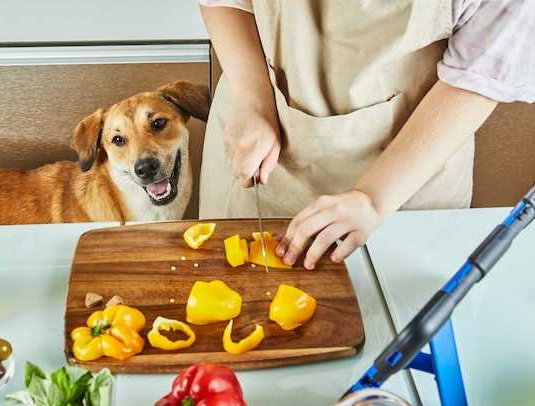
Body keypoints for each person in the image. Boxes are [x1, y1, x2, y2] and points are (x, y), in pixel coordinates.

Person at [198, 0, 535, 269]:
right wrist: (251, 98)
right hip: (259, 126)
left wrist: (374, 198)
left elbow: (480, 72)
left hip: (410, 172)